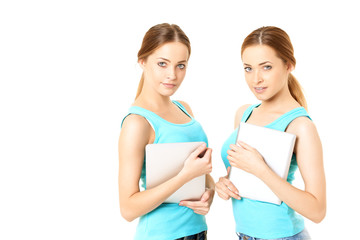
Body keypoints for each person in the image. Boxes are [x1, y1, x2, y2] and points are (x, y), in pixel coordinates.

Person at [215, 26, 326, 240]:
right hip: (244, 235)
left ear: (288, 65)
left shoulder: (300, 125)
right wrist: (225, 183)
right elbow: (242, 175)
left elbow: (317, 210)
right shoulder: (243, 114)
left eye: (266, 67)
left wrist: (262, 170)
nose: (255, 79)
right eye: (248, 68)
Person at [118, 23, 215, 240]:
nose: (172, 75)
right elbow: (128, 209)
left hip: (198, 232)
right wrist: (184, 176)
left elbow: (202, 175)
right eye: (162, 64)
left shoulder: (184, 108)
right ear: (142, 61)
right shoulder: (138, 123)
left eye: (181, 66)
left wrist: (209, 194)